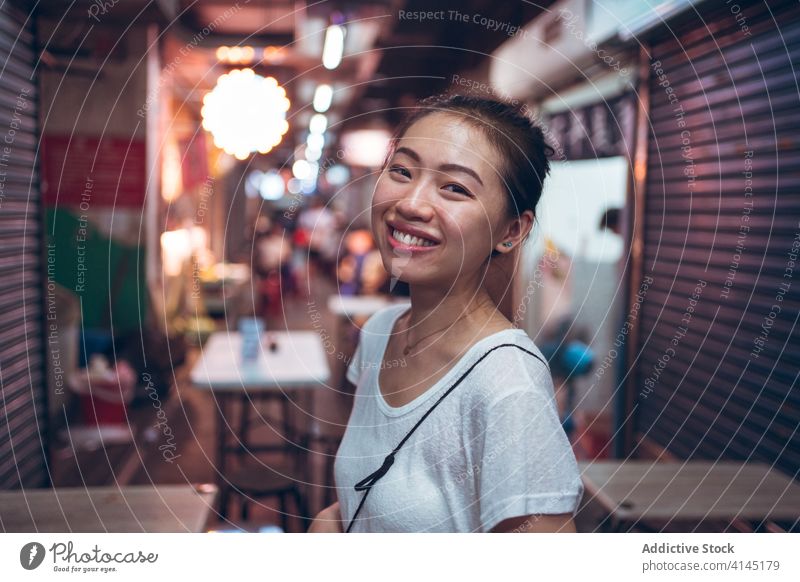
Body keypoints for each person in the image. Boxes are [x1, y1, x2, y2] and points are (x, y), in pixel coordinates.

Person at [308, 94, 583, 533]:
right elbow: (364, 500)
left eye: (455, 187)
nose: (412, 204)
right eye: (402, 171)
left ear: (512, 231)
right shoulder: (379, 333)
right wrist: (330, 522)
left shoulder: (506, 382)